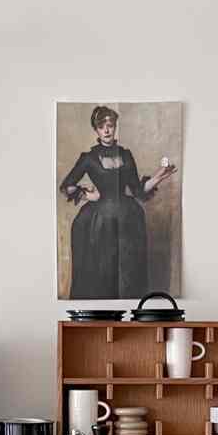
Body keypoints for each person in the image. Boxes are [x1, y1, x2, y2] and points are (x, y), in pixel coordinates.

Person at [60, 105, 177, 299]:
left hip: (128, 220)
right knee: (103, 271)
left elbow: (138, 190)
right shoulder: (88, 158)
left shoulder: (126, 155)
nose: (106, 130)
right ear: (96, 130)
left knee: (128, 273)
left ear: (115, 126)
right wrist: (87, 194)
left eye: (110, 125)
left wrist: (159, 176)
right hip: (100, 224)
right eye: (101, 126)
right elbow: (67, 186)